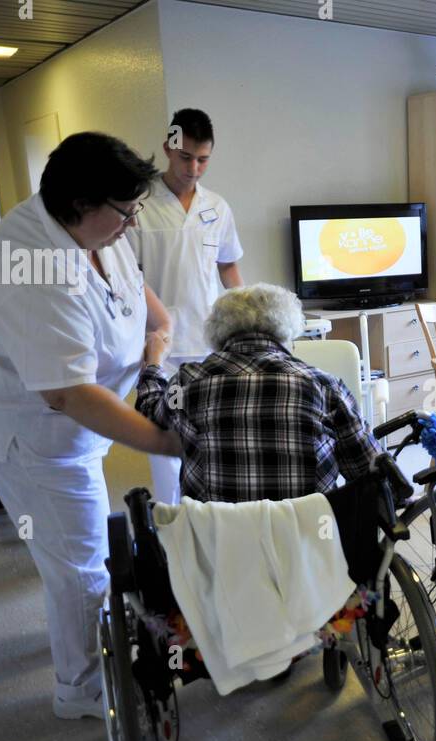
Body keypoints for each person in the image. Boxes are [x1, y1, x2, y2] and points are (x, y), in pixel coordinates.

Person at [0, 132, 180, 720]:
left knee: (75, 547)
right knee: (83, 561)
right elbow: (66, 392)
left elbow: (152, 310)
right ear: (80, 205)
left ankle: (77, 626)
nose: (132, 224)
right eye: (125, 214)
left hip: (79, 424)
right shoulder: (28, 269)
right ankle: (79, 690)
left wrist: (155, 346)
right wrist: (163, 441)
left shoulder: (100, 228)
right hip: (30, 435)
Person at [137, 283, 380, 503]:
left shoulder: (186, 383)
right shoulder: (326, 387)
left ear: (217, 331)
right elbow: (370, 473)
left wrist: (155, 362)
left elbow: (149, 411)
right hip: (308, 545)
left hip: (218, 545)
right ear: (287, 329)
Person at [127, 108, 245, 505]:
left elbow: (227, 265)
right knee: (165, 441)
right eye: (186, 158)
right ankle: (169, 525)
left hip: (211, 340)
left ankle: (212, 518)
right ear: (168, 148)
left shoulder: (217, 207)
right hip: (161, 344)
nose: (194, 168)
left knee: (215, 437)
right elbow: (128, 275)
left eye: (203, 159)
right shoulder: (140, 205)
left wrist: (243, 320)